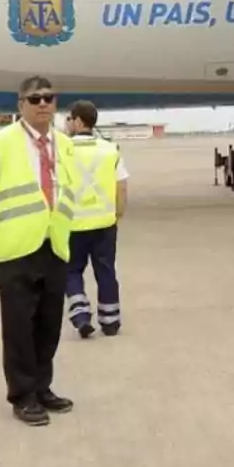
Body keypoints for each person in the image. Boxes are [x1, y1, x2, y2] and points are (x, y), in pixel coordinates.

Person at [0, 76, 78, 426]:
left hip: (54, 245)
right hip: (15, 250)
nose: (43, 104)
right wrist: (2, 228)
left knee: (49, 325)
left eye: (48, 98)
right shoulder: (0, 144)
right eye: (34, 99)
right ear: (21, 105)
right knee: (19, 329)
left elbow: (68, 188)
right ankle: (23, 395)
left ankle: (42, 387)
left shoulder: (65, 144)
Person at [63, 100, 128, 338]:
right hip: (104, 223)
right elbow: (122, 188)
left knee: (71, 272)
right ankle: (110, 321)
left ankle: (80, 316)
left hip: (73, 225)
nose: (67, 123)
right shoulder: (110, 150)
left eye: (69, 118)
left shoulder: (63, 150)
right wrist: (117, 214)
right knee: (106, 271)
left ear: (79, 121)